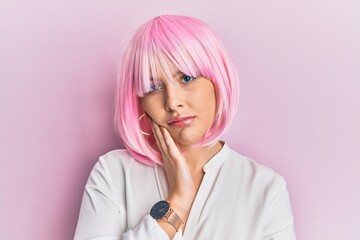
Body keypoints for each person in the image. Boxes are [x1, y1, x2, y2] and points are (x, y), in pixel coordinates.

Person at [74, 15, 296, 240]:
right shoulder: (113, 173)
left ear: (217, 81)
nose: (172, 102)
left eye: (187, 78)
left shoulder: (266, 189)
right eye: (154, 86)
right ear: (140, 100)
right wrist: (176, 204)